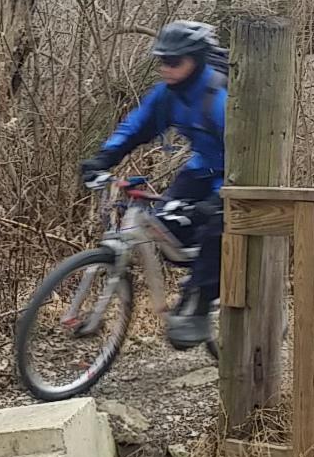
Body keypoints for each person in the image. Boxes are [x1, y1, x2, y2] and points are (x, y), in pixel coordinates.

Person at [79, 20, 226, 350]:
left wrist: (218, 201)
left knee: (215, 228)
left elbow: (243, 152)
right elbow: (137, 125)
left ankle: (200, 303)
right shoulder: (169, 95)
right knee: (168, 226)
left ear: (196, 59)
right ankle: (202, 274)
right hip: (201, 169)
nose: (166, 69)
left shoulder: (218, 96)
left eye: (174, 62)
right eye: (161, 61)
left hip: (235, 175)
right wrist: (103, 157)